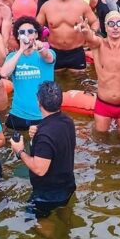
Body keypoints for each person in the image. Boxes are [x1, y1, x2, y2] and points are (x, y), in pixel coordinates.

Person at [10, 81, 76, 218]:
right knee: (64, 217)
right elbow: (58, 144)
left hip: (47, 195)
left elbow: (40, 169)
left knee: (35, 224)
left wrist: (20, 151)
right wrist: (39, 130)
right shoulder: (67, 121)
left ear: (39, 103)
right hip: (67, 185)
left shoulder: (45, 135)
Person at [0, 16, 56, 130]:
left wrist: (41, 49)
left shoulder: (47, 53)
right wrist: (21, 50)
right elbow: (4, 73)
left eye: (30, 31)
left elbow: (48, 57)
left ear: (36, 35)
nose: (27, 34)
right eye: (22, 32)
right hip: (18, 113)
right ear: (18, 36)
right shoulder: (13, 57)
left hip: (43, 114)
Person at [36, 0, 99, 71]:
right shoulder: (47, 6)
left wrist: (91, 34)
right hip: (54, 52)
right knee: (55, 83)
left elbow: (95, 22)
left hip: (76, 52)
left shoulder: (81, 5)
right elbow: (36, 27)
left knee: (78, 83)